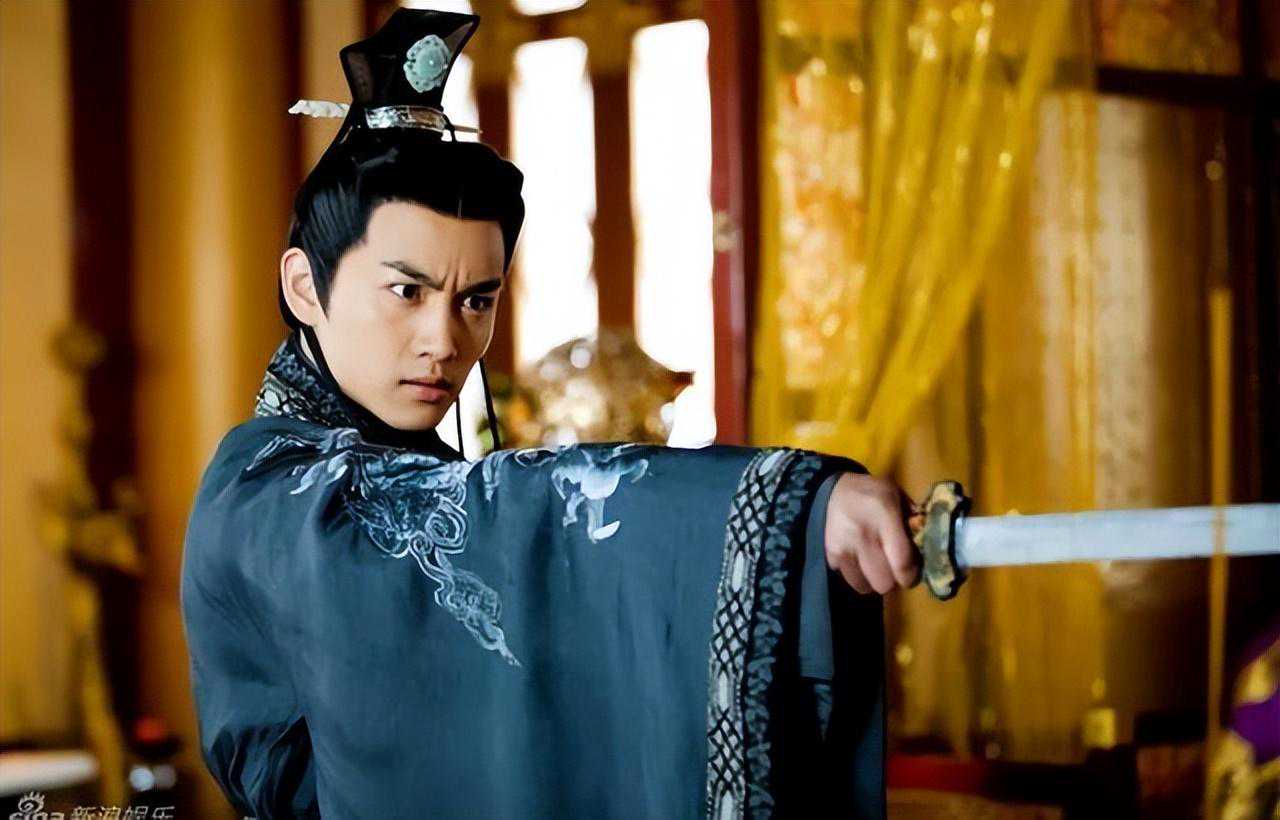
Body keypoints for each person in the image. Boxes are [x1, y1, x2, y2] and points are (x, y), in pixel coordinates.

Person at [181, 8, 920, 818]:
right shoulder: (270, 493)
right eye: (406, 291)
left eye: (477, 299)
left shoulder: (404, 457)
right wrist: (792, 511)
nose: (444, 341)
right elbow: (499, 514)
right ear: (304, 287)